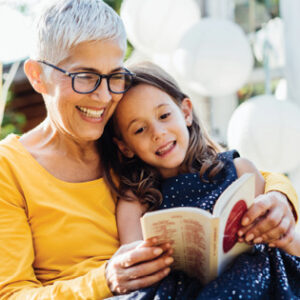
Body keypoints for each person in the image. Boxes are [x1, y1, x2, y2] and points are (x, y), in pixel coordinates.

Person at [0, 0, 298, 299]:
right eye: (85, 77)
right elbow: (11, 294)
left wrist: (280, 197)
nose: (103, 97)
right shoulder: (9, 168)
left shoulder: (129, 142)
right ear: (37, 76)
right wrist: (104, 279)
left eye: (114, 76)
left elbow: (234, 172)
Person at [100, 62, 300, 299]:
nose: (158, 133)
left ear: (185, 112)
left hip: (260, 283)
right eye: (140, 130)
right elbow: (137, 276)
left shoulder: (239, 169)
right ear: (125, 147)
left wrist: (283, 236)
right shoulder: (135, 202)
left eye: (164, 115)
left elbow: (290, 245)